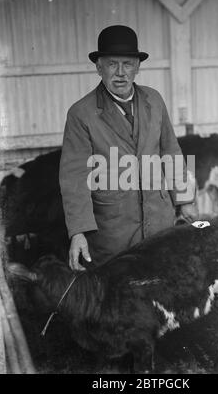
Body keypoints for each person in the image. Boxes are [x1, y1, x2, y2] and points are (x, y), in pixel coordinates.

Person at [59, 25, 198, 270]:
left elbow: (170, 151)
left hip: (160, 224)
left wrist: (184, 198)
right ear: (99, 67)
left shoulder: (153, 100)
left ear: (138, 67)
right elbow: (74, 178)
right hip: (113, 233)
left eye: (128, 64)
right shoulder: (81, 114)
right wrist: (78, 231)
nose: (121, 73)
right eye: (112, 64)